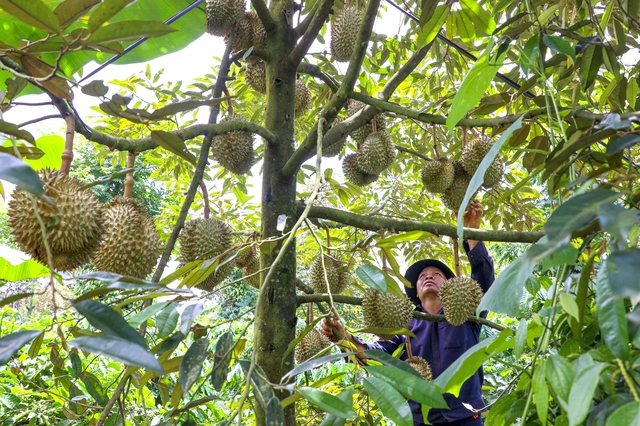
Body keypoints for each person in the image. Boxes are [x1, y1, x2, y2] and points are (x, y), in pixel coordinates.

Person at [321, 200, 494, 426]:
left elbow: (484, 280)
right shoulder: (406, 326)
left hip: (465, 417)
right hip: (419, 420)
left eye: (436, 274)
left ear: (452, 286)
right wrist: (345, 338)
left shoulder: (467, 315)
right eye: (423, 276)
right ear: (416, 292)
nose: (428, 276)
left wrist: (471, 230)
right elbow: (378, 355)